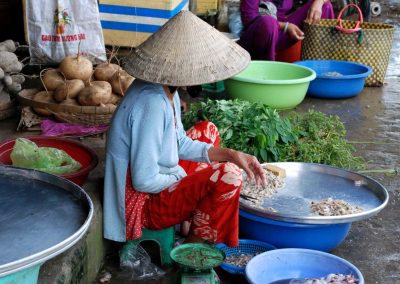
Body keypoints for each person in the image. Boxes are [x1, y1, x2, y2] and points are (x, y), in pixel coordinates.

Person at [103, 11, 267, 248]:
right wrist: (182, 176)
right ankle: (193, 247)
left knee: (207, 130)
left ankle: (193, 219)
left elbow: (179, 143)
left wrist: (232, 154)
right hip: (143, 204)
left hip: (161, 178)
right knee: (229, 176)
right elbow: (144, 181)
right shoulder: (152, 104)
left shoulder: (167, 89)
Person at [238, 0, 335, 61]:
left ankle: (320, 68)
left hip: (280, 33)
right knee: (269, 22)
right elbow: (249, 17)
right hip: (256, 36)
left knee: (325, 6)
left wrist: (319, 2)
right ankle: (266, 76)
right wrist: (284, 26)